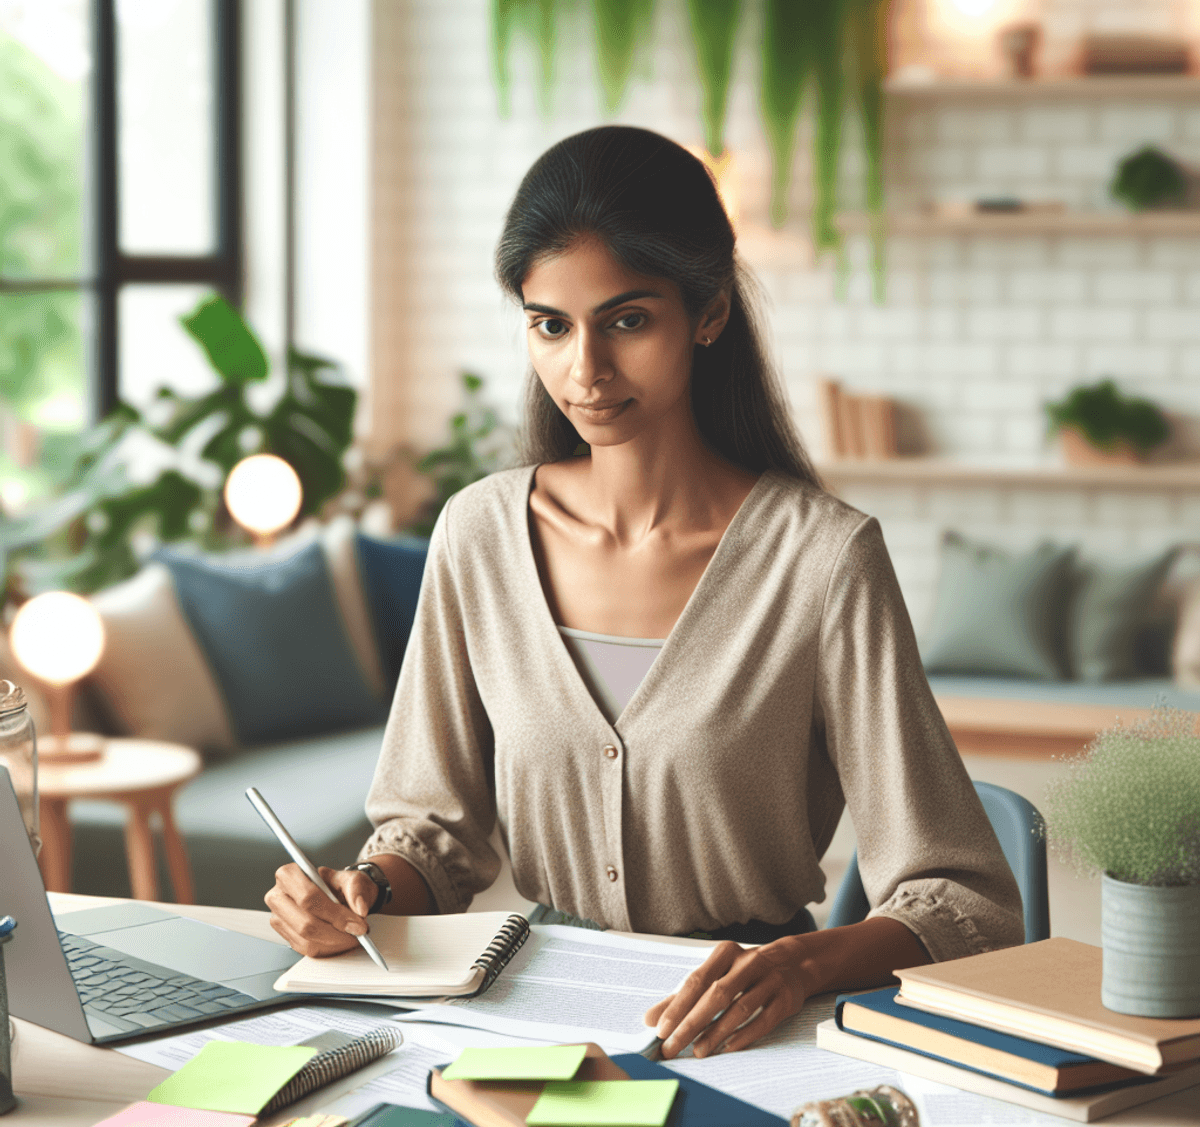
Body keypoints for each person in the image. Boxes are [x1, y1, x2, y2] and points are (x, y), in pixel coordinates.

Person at [265, 125, 1023, 1059]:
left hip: (753, 1036)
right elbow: (434, 836)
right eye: (551, 324)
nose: (586, 370)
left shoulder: (824, 561)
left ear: (707, 311)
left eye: (627, 320)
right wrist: (364, 894)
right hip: (527, 1024)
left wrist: (802, 963)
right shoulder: (477, 535)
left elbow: (965, 899)